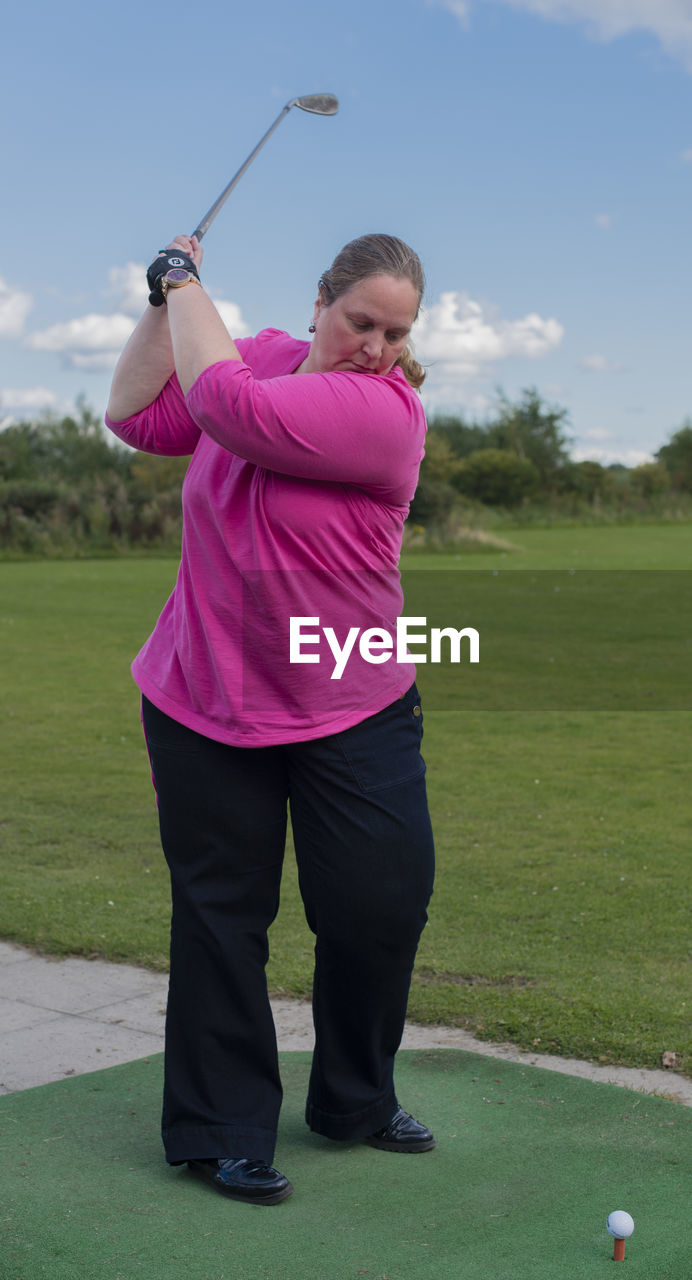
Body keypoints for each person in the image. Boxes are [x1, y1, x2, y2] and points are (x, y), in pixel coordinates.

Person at [105, 232, 436, 1206]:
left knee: (376, 905)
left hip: (351, 700)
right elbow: (136, 415)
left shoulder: (383, 412)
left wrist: (182, 280)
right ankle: (220, 1130)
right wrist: (163, 308)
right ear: (321, 302)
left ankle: (354, 1098)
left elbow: (227, 409)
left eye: (396, 330)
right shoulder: (253, 352)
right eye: (360, 320)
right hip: (204, 692)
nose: (375, 344)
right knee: (218, 914)